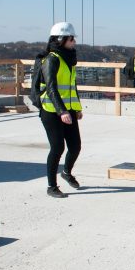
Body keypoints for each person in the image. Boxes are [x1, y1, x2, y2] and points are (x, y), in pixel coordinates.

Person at [38, 22, 83, 198]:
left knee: (76, 146)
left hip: (69, 109)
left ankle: (66, 173)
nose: (74, 42)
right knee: (57, 148)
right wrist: (61, 111)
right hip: (51, 110)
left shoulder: (69, 59)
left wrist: (76, 109)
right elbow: (51, 88)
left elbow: (72, 87)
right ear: (61, 39)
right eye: (71, 38)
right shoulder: (51, 59)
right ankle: (51, 186)